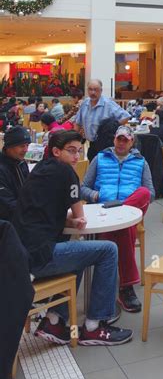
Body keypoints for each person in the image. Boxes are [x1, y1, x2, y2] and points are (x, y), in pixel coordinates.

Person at [13, 131, 133, 345]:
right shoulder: (66, 172)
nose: (77, 156)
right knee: (108, 250)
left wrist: (68, 222)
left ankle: (54, 321)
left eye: (79, 151)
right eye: (71, 151)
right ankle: (95, 326)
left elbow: (43, 213)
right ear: (57, 151)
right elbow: (81, 218)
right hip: (40, 257)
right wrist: (74, 219)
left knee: (78, 251)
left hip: (21, 255)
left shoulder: (40, 169)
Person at [80, 125, 154, 311]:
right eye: (118, 139)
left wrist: (126, 206)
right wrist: (95, 196)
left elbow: (150, 193)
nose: (121, 143)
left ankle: (120, 283)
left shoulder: (141, 162)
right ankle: (126, 287)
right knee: (124, 228)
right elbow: (83, 188)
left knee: (142, 193)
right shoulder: (100, 158)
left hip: (130, 209)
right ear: (114, 139)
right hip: (104, 209)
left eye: (125, 140)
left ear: (132, 142)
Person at [74, 79, 130, 161]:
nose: (93, 92)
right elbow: (78, 123)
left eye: (96, 90)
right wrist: (74, 140)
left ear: (101, 90)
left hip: (106, 145)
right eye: (90, 89)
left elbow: (125, 116)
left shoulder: (108, 103)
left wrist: (112, 128)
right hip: (92, 145)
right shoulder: (84, 104)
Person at [0, 127, 30, 222]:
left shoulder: (21, 163)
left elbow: (30, 190)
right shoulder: (2, 169)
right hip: (8, 224)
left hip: (23, 216)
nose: (26, 150)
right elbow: (7, 204)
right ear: (9, 146)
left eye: (27, 145)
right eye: (21, 146)